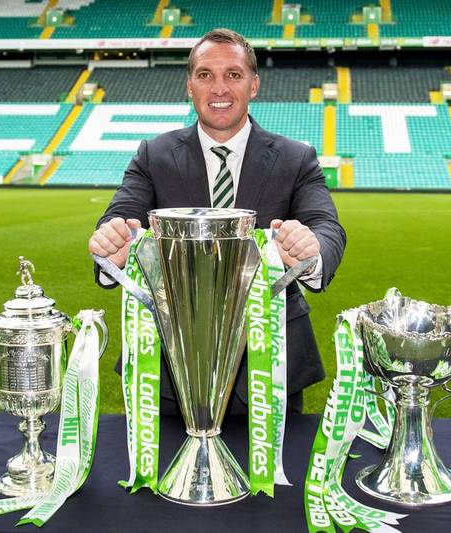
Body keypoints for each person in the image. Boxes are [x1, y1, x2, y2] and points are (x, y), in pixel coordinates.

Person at [88, 28, 346, 414]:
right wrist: (112, 244)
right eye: (205, 75)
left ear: (254, 84)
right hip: (167, 372)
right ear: (189, 85)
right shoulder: (154, 155)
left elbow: (327, 228)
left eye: (233, 74)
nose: (219, 88)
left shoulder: (295, 158)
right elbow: (118, 219)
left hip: (267, 372)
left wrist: (311, 250)